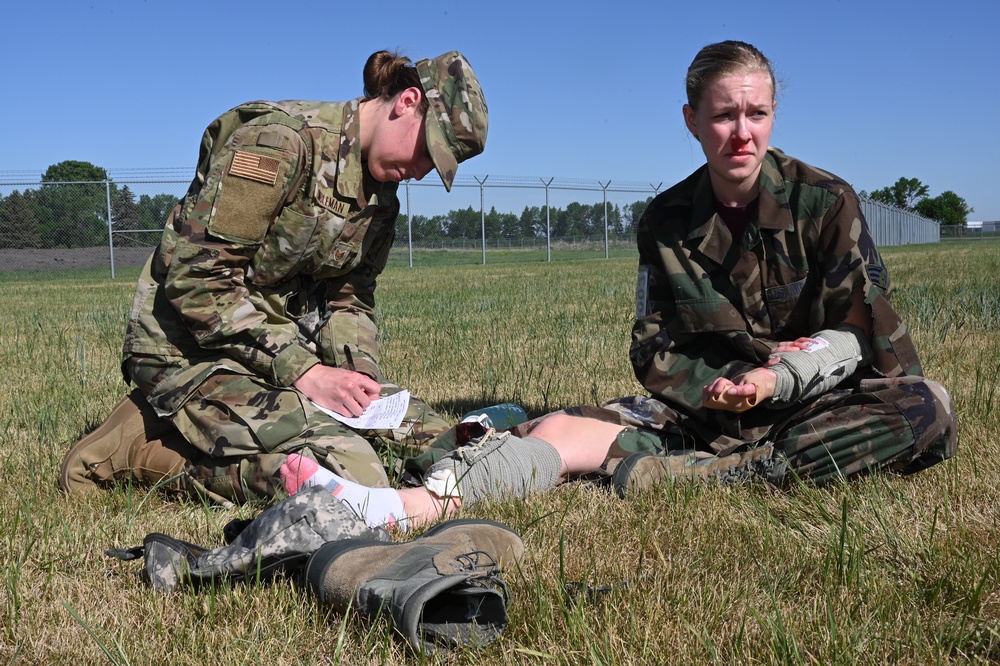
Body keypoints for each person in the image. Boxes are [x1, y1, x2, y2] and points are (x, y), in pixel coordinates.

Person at [307, 39, 957, 528]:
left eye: (756, 113)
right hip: (704, 412)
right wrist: (725, 390)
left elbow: (865, 333)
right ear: (691, 120)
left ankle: (692, 477)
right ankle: (400, 506)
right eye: (724, 113)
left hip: (816, 401)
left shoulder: (826, 203)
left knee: (927, 406)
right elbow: (654, 351)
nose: (741, 131)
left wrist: (780, 379)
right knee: (553, 431)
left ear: (774, 115)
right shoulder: (667, 222)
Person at [59, 49, 488, 514]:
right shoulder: (278, 143)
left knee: (444, 440)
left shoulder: (380, 201)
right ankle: (134, 451)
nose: (423, 170)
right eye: (428, 150)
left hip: (277, 358)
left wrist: (356, 375)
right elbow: (198, 281)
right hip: (192, 354)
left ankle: (215, 425)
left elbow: (351, 299)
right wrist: (306, 372)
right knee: (351, 476)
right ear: (407, 101)